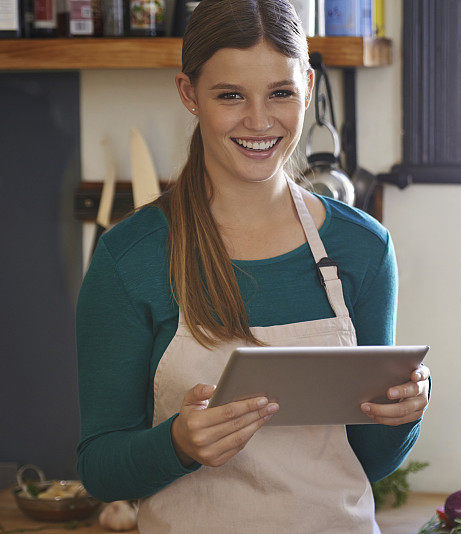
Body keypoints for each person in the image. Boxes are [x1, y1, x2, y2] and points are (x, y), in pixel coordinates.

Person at [74, 0, 430, 531]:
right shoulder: (131, 258)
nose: (260, 122)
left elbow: (371, 461)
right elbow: (100, 470)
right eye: (230, 95)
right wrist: (176, 444)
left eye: (281, 93)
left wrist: (405, 412)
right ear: (189, 94)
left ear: (307, 88)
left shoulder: (363, 248)